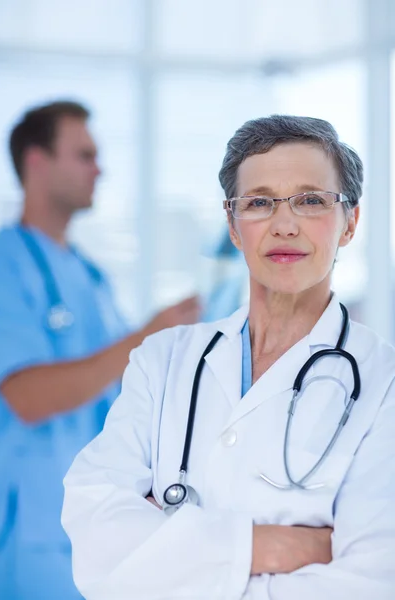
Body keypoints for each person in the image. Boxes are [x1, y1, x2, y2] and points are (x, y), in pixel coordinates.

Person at [62, 115, 395, 600]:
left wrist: (167, 555)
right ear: (233, 226)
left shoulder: (383, 382)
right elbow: (94, 533)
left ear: (350, 223)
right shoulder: (164, 361)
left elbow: (373, 579)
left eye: (310, 201)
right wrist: (272, 547)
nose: (284, 224)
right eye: (259, 202)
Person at [0, 100, 199, 600]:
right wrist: (140, 338)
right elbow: (28, 397)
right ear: (37, 162)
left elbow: (122, 392)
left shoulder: (91, 277)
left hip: (91, 533)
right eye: (84, 155)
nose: (99, 168)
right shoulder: (6, 266)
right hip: (29, 541)